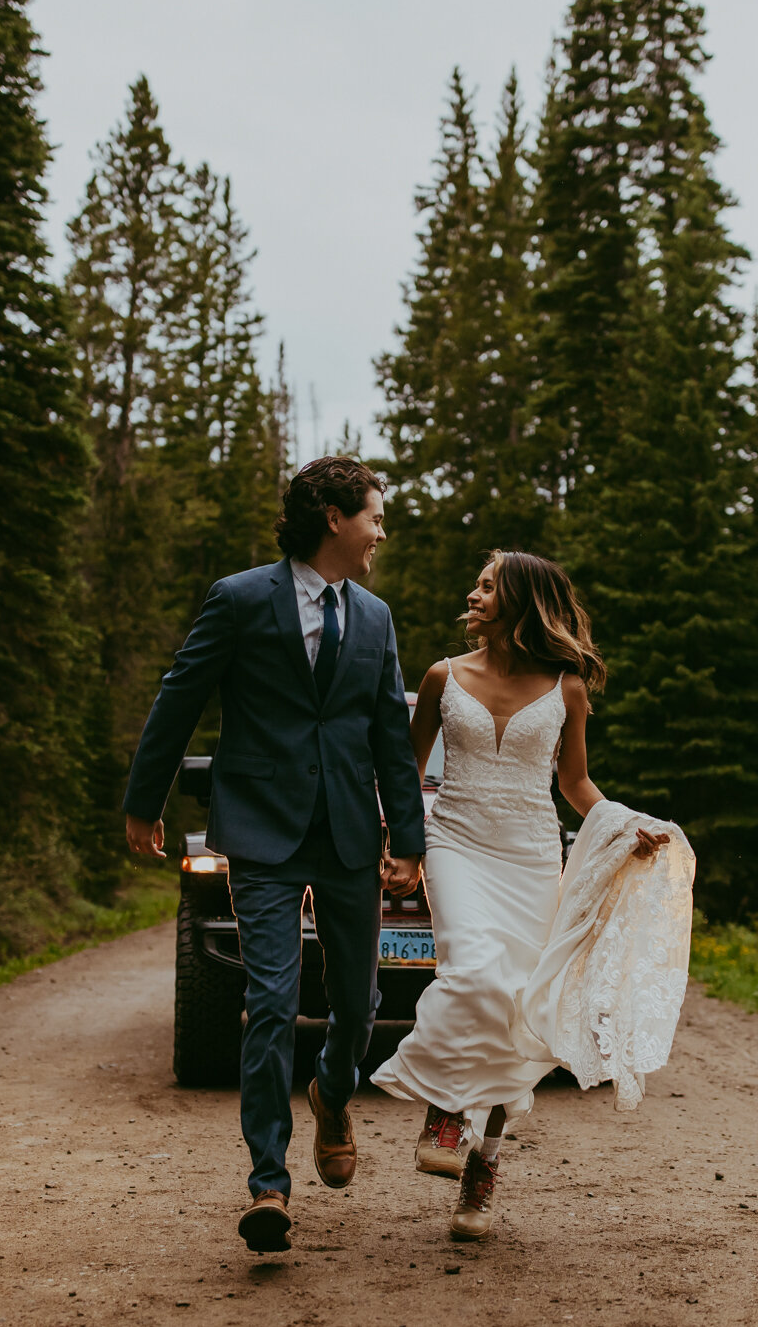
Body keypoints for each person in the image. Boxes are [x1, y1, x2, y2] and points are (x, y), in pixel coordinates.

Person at [121, 456, 427, 1255]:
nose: (380, 532)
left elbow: (392, 740)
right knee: (270, 996)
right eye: (373, 515)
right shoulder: (240, 598)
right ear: (333, 517)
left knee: (357, 1007)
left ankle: (333, 1093)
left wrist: (410, 839)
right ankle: (268, 1182)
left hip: (350, 834)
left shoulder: (377, 616)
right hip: (260, 827)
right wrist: (142, 801)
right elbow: (179, 696)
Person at [370, 550, 668, 1241]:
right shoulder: (444, 677)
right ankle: (445, 1106)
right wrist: (403, 852)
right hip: (457, 845)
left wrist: (625, 827)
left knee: (522, 1006)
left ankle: (485, 1161)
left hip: (533, 855)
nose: (472, 594)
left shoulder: (566, 688)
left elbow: (575, 784)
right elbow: (405, 774)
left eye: (485, 585)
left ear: (521, 600)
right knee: (473, 972)